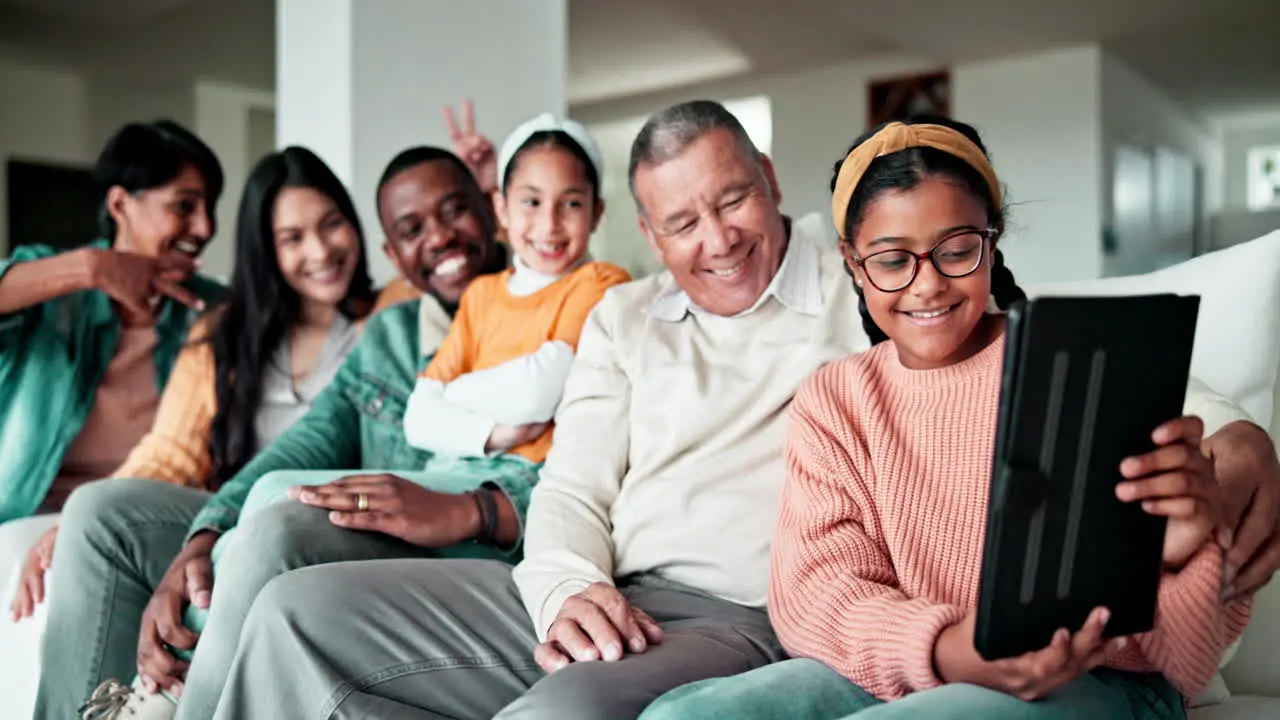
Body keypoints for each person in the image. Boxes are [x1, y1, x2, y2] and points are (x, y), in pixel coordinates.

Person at [204, 99, 871, 720]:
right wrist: (567, 592)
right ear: (649, 234)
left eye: (734, 200)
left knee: (556, 714)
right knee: (296, 610)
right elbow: (573, 485)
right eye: (682, 224)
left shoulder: (866, 287)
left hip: (732, 613)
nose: (720, 240)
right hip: (600, 584)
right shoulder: (625, 315)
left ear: (771, 180)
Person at [637, 117, 1263, 720]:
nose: (928, 285)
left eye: (957, 250)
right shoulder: (837, 401)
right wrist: (950, 650)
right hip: (918, 671)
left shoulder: (1071, 367)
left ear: (993, 240)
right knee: (683, 713)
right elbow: (818, 595)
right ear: (853, 263)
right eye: (890, 260)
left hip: (1099, 681)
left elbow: (1188, 652)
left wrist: (1187, 549)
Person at [31, 145, 509, 720]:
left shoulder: (411, 307)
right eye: (292, 237)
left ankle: (161, 703)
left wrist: (508, 205)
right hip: (272, 507)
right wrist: (201, 537)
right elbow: (222, 449)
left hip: (381, 527)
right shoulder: (376, 334)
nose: (320, 249)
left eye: (331, 224)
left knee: (275, 514)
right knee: (103, 509)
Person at [0, 119, 226, 598]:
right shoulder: (52, 291)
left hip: (151, 515)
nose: (205, 228)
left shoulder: (211, 309)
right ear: (120, 203)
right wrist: (92, 268)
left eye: (210, 208)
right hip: (28, 515)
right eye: (184, 206)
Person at [398, 113, 629, 495]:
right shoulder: (481, 294)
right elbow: (418, 419)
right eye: (531, 202)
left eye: (570, 204)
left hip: (526, 482)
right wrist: (497, 432)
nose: (549, 224)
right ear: (502, 209)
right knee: (285, 495)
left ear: (596, 213)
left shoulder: (601, 283)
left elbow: (537, 392)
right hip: (456, 465)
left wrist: (452, 393)